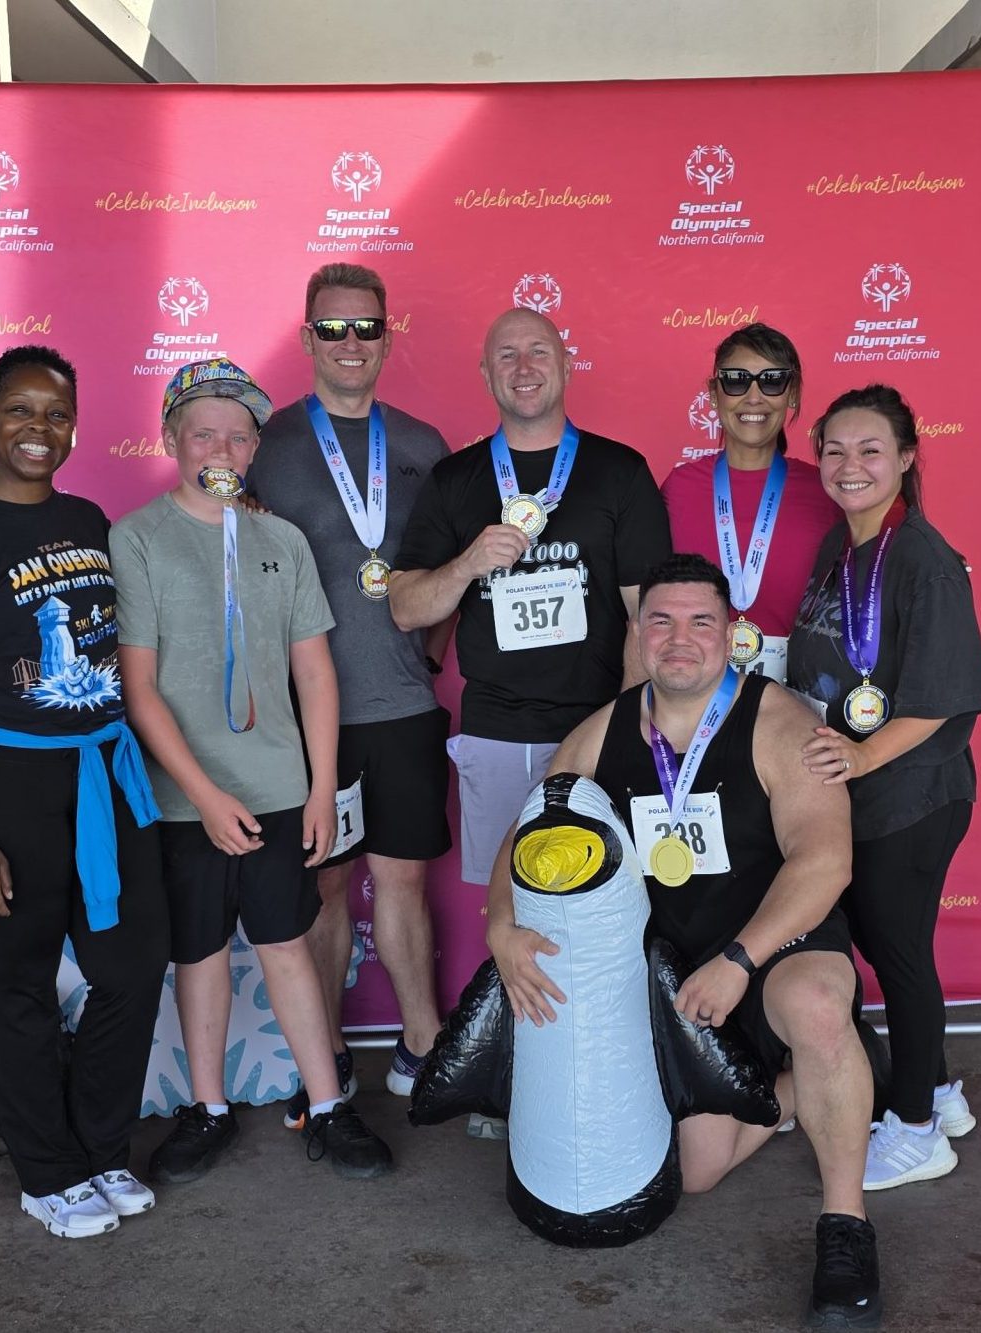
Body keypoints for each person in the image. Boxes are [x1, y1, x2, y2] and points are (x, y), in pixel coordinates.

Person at [488, 553, 882, 1328]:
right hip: (675, 984)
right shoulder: (599, 735)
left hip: (772, 954)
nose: (679, 638)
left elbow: (825, 860)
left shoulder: (782, 722)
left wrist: (740, 960)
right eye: (660, 620)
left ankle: (847, 1225)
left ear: (730, 633)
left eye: (701, 621)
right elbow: (519, 840)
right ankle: (823, 1079)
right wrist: (501, 923)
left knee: (813, 1005)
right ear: (636, 634)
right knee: (695, 1173)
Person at [0, 344, 168, 1239]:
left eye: (55, 413)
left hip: (102, 774)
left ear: (74, 427)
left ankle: (100, 1148)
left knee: (130, 967)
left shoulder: (92, 519)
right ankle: (46, 1173)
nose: (38, 429)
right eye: (20, 410)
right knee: (16, 985)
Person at [114, 357, 395, 1182]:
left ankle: (330, 1105)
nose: (223, 447)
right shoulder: (137, 538)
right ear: (170, 437)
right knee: (197, 953)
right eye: (205, 431)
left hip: (278, 791)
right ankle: (207, 1110)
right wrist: (201, 795)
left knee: (288, 945)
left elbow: (315, 672)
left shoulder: (284, 540)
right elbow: (140, 687)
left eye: (239, 435)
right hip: (181, 800)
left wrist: (318, 786)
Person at [246, 264, 453, 1112]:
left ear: (388, 336)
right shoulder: (265, 444)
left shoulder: (425, 445)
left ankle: (422, 1047)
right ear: (306, 339)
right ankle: (323, 1061)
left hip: (403, 706)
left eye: (366, 327)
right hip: (305, 720)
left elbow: (444, 577)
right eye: (332, 329)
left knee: (401, 882)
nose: (351, 344)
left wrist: (428, 659)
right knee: (326, 887)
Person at [787, 384, 981, 1193]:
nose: (851, 466)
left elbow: (946, 696)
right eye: (835, 450)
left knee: (900, 953)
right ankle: (939, 1090)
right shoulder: (840, 550)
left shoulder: (923, 560)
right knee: (886, 943)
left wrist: (865, 761)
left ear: (907, 457)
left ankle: (914, 1127)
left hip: (912, 794)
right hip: (860, 795)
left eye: (871, 449)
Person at [389, 306, 672, 895]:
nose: (524, 367)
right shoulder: (454, 479)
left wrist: (620, 729)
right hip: (496, 733)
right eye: (506, 355)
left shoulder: (620, 472)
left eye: (539, 351)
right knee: (507, 910)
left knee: (605, 901)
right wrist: (468, 562)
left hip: (593, 725)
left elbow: (646, 615)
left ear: (566, 366)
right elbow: (406, 608)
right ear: (486, 374)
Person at [659, 324, 836, 682]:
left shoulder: (826, 491)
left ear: (793, 394)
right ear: (714, 394)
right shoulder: (679, 487)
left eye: (772, 380)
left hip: (798, 699)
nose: (753, 396)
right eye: (736, 380)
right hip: (695, 694)